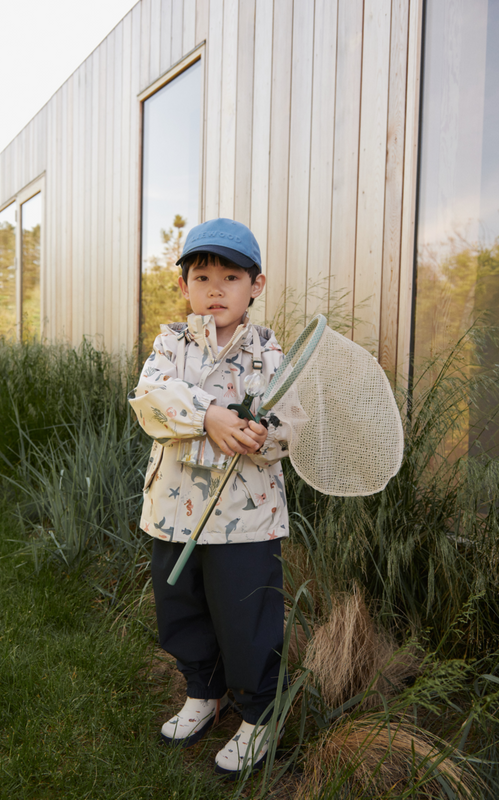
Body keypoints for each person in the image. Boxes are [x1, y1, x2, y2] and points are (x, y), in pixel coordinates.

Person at [128, 218, 291, 778]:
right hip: (175, 511)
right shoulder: (170, 343)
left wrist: (263, 435)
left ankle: (259, 713)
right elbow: (151, 401)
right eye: (202, 276)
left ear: (257, 285)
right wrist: (208, 417)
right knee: (182, 606)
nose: (215, 288)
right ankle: (203, 690)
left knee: (247, 615)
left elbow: (292, 423)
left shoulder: (268, 351)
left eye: (230, 276)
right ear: (184, 287)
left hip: (246, 519)